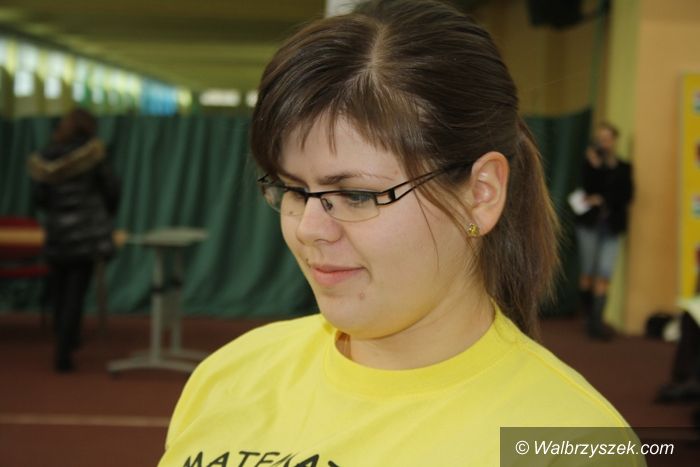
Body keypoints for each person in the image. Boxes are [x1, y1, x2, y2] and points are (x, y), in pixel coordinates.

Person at [159, 1, 633, 465]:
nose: (309, 229)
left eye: (357, 195)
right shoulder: (229, 375)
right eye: (293, 190)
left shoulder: (571, 443)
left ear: (481, 194)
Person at [28, 107, 120, 372]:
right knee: (75, 294)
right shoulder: (93, 155)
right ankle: (64, 350)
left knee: (59, 291)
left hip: (57, 232)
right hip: (86, 233)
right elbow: (112, 189)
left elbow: (39, 198)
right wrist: (104, 213)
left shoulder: (46, 157)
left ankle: (64, 339)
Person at [575, 122, 634, 340]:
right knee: (588, 272)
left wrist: (602, 198)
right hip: (589, 226)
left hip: (612, 227)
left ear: (615, 140)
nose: (604, 143)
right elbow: (586, 190)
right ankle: (587, 316)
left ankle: (596, 323)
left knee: (605, 272)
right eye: (600, 139)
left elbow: (627, 195)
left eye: (608, 139)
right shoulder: (589, 164)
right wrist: (595, 167)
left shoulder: (624, 167)